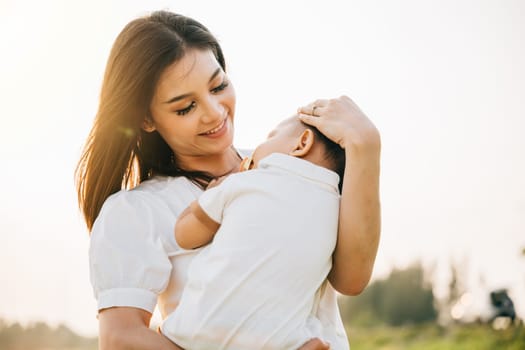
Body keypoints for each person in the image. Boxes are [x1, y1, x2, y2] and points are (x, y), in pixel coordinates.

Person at [75, 10, 381, 350]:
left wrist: (365, 147)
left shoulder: (292, 173)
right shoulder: (137, 210)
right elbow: (121, 339)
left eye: (218, 86)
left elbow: (351, 279)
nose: (214, 112)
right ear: (147, 119)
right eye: (185, 107)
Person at [161, 116, 346, 349]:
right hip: (284, 340)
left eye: (270, 136)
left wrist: (210, 194)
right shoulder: (336, 208)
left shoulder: (246, 182)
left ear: (302, 143)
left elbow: (185, 236)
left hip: (202, 330)